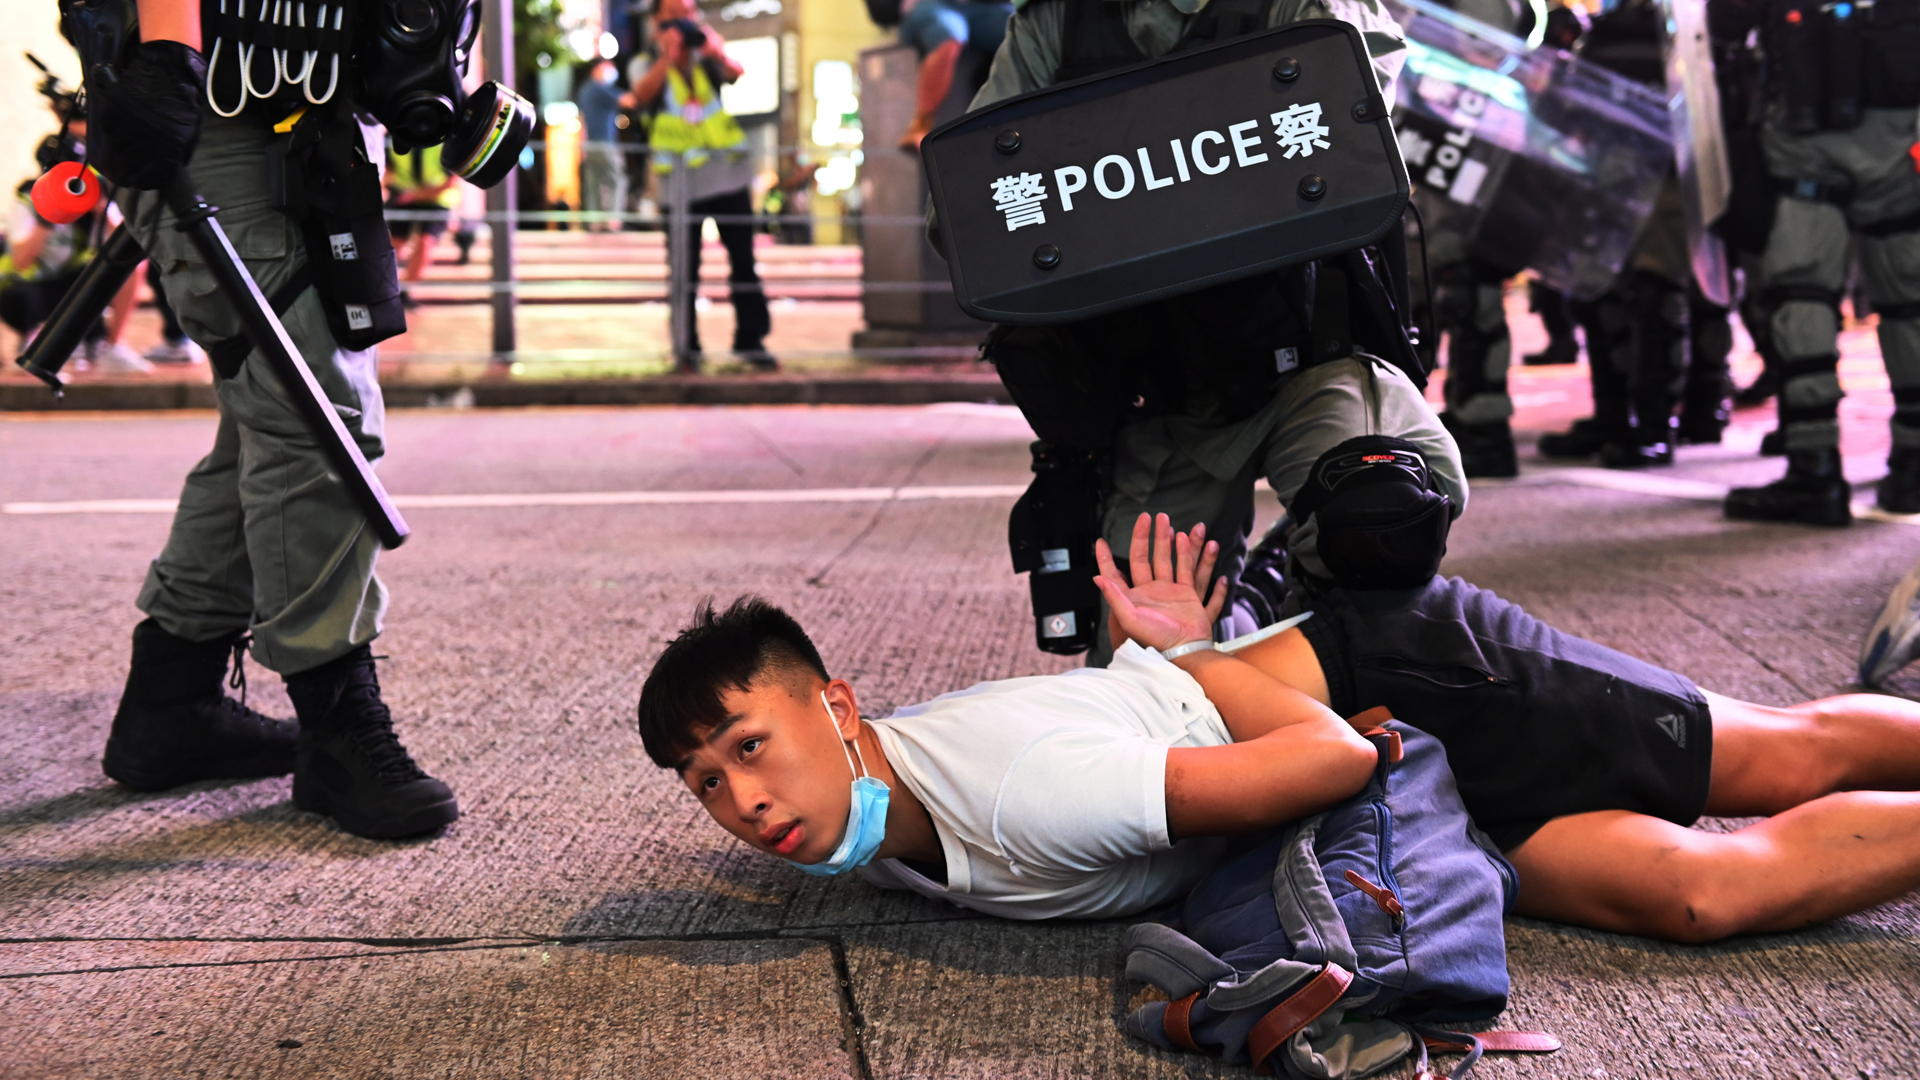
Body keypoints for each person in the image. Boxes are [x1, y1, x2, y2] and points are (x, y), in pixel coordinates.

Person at [639, 511, 1920, 941]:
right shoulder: (878, 807)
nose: (741, 805)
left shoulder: (1021, 790)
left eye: (749, 746)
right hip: (1374, 798)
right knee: (1695, 897)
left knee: (1775, 754)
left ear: (840, 706)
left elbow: (1331, 753)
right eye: (704, 784)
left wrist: (1185, 653)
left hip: (1393, 688)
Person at [965, 0, 1468, 665]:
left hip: (1309, 359)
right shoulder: (1060, 20)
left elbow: (1353, 131)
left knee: (1381, 517)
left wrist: (1121, 172)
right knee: (1139, 658)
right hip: (1165, 390)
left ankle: (1299, 635)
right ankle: (1254, 602)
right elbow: (968, 211)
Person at [91, 0, 457, 839]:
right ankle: (337, 728)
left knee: (273, 412)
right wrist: (171, 55)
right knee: (315, 419)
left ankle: (171, 701)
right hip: (220, 108)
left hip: (314, 104)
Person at [1707, 0, 1920, 525]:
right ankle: (1915, 466)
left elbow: (1722, 24)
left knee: (1802, 295)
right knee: (1908, 298)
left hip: (1807, 127)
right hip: (1899, 128)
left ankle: (1814, 467)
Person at [630, 0, 774, 370]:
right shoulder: (644, 60)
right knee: (683, 268)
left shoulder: (706, 56)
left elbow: (736, 72)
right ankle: (685, 348)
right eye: (672, 17)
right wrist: (668, 57)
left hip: (726, 173)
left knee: (744, 260)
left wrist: (715, 50)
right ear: (655, 23)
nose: (682, 22)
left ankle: (751, 339)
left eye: (688, 14)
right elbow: (640, 95)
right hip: (678, 183)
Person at [895, 0, 1016, 150]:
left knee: (1028, 27)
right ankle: (920, 125)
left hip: (981, 6)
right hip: (931, 4)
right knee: (950, 37)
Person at [386, 142, 462, 306]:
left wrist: (414, 195)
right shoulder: (393, 139)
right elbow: (386, 171)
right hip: (403, 195)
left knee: (425, 243)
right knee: (395, 245)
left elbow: (451, 181)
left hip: (436, 199)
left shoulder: (442, 142)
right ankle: (387, 290)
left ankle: (405, 291)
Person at [577, 58, 632, 233]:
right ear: (598, 69)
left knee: (593, 183)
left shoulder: (585, 90)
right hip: (604, 142)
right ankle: (612, 220)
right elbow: (628, 101)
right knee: (617, 180)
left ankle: (594, 221)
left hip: (589, 144)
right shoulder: (600, 89)